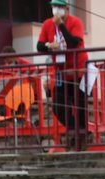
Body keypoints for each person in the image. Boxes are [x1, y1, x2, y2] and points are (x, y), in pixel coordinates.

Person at [36, 0, 89, 151]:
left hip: (78, 69)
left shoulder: (75, 22)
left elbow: (73, 43)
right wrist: (48, 45)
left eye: (59, 7)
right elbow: (39, 46)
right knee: (58, 106)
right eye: (54, 6)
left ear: (66, 8)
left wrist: (61, 25)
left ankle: (81, 138)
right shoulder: (47, 24)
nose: (56, 10)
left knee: (79, 105)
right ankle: (75, 132)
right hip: (60, 71)